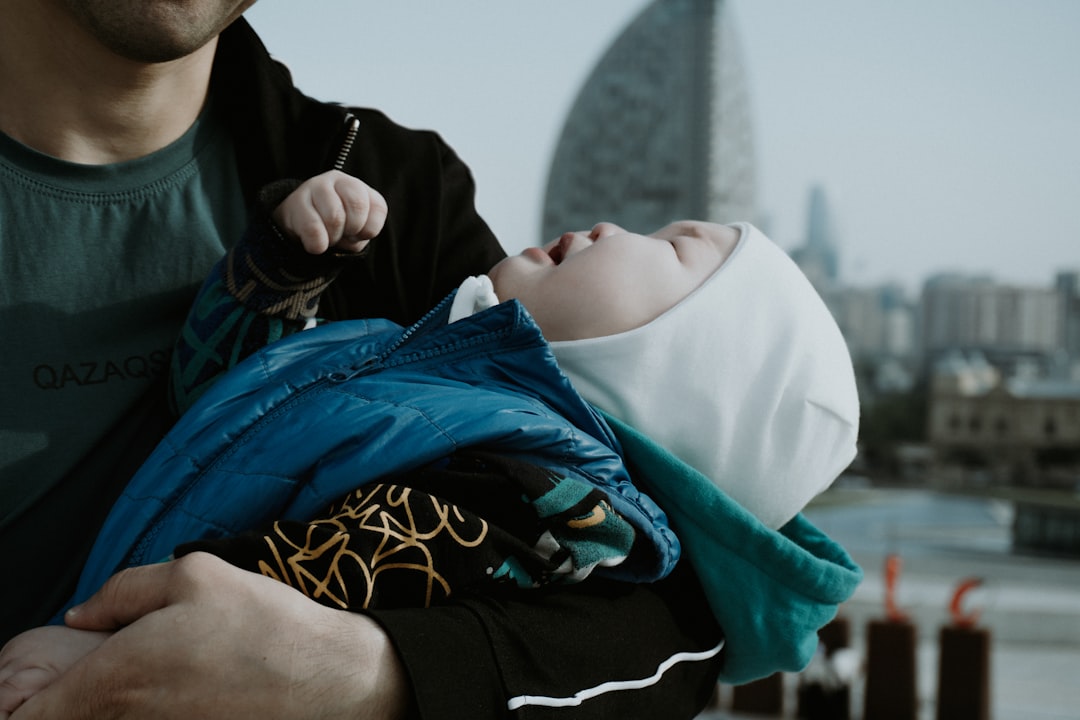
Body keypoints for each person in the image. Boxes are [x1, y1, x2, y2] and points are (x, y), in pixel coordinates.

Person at [0, 3, 726, 719]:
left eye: (673, 250)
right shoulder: (444, 303)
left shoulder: (404, 196)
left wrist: (362, 668)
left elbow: (677, 625)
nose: (605, 230)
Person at [1, 171, 863, 716]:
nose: (613, 227)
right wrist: (276, 273)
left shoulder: (547, 486)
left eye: (676, 249)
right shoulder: (411, 353)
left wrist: (104, 660)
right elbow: (217, 403)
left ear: (680, 377)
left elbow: (337, 575)